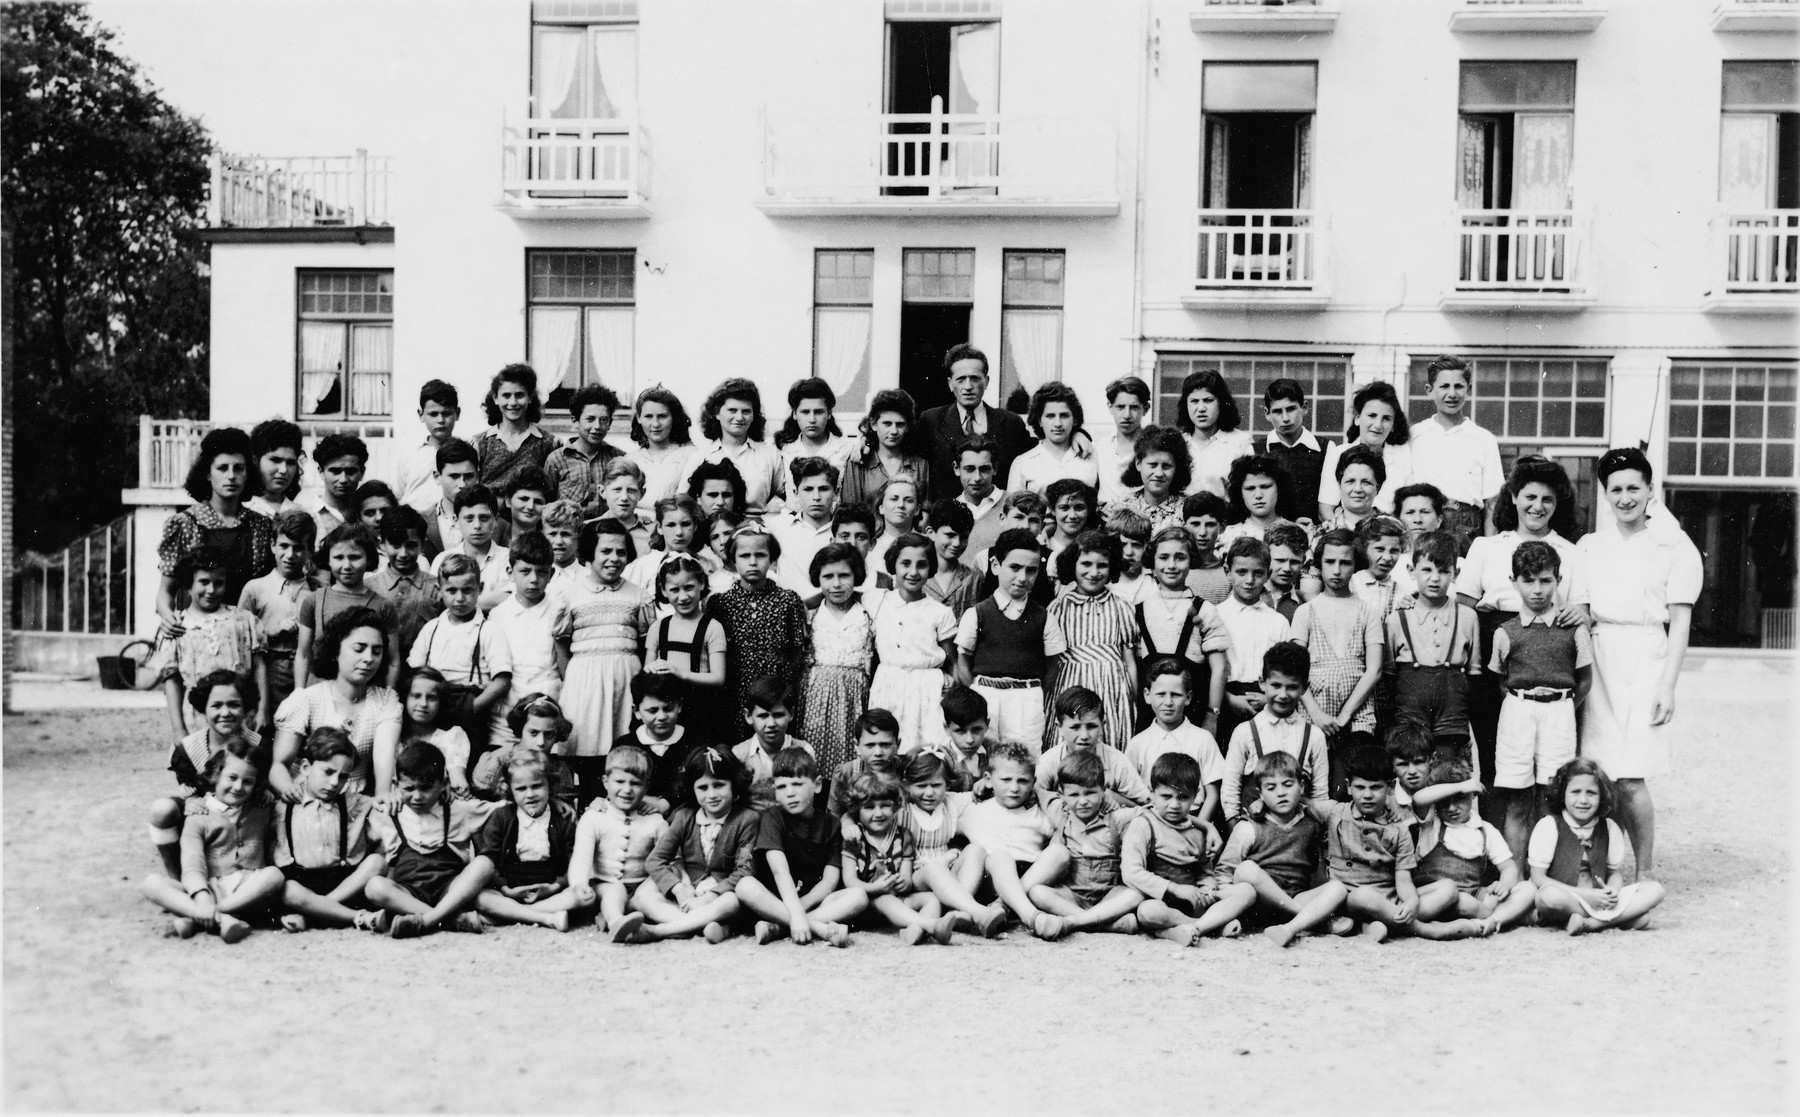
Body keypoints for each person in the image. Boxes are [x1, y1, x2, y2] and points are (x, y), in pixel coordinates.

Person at [1569, 447, 1702, 882]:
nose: (1625, 498)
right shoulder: (1591, 546)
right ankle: (1608, 868)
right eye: (1616, 490)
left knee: (1632, 778)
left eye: (1634, 488)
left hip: (1647, 655)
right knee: (1602, 774)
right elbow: (1581, 611)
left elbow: (1679, 623)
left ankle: (1644, 872)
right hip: (1601, 655)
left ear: (1650, 491)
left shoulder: (1673, 545)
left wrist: (1668, 686)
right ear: (1605, 494)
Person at [1457, 455, 1584, 812]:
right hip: (1493, 646)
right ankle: (1497, 855)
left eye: (1547, 499)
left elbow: (1582, 612)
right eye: (1530, 496)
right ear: (1513, 497)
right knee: (1494, 750)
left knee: (1548, 760)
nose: (1537, 506)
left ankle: (1544, 853)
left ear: (1558, 505)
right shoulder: (1487, 547)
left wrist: (1577, 615)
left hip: (1548, 651)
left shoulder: (1571, 554)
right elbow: (1463, 609)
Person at [1487, 540, 1594, 865]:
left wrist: (1559, 707)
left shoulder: (1573, 629)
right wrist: (1526, 704)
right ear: (1514, 582)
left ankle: (1551, 875)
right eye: (1528, 580)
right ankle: (1516, 880)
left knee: (1552, 797)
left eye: (1545, 580)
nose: (1537, 590)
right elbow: (1501, 681)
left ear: (1558, 581)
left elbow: (1585, 681)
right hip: (1519, 712)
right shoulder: (1505, 632)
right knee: (1518, 800)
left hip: (1559, 713)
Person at [139, 737, 285, 943]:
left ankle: (199, 916)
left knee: (274, 876)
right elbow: (192, 864)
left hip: (248, 892)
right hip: (211, 890)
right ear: (216, 774)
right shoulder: (199, 815)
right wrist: (202, 896)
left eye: (248, 781)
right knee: (151, 883)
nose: (238, 786)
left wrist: (267, 795)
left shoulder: (261, 808)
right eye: (232, 777)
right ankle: (219, 918)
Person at [557, 518, 655, 799]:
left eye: (621, 552)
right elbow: (561, 641)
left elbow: (646, 643)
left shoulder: (638, 596)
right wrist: (572, 680)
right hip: (584, 682)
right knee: (587, 755)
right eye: (606, 551)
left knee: (624, 753)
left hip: (626, 679)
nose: (614, 559)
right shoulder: (572, 594)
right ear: (589, 553)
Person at [365, 742, 500, 937]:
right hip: (407, 893)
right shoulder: (387, 814)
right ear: (395, 785)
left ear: (444, 784)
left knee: (484, 864)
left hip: (450, 891)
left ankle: (428, 920)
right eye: (409, 788)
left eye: (426, 788)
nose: (418, 796)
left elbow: (506, 808)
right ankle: (449, 920)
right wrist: (379, 799)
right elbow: (356, 813)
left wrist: (552, 801)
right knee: (375, 886)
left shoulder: (459, 810)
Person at [737, 747, 869, 946]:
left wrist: (800, 909)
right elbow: (779, 871)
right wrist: (796, 914)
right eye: (781, 787)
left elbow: (830, 881)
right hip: (779, 899)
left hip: (814, 901)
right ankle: (818, 927)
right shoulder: (772, 818)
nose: (790, 793)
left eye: (797, 784)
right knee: (745, 886)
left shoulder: (831, 823)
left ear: (817, 785)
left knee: (859, 897)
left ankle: (779, 927)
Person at [155, 427, 276, 642]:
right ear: (208, 474)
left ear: (248, 474)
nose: (231, 476)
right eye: (222, 468)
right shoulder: (184, 524)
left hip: (247, 636)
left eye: (239, 468)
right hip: (195, 635)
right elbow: (166, 591)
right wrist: (167, 617)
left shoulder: (262, 526)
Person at [629, 746, 758, 943]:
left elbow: (744, 870)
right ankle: (697, 924)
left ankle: (659, 931)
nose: (712, 794)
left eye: (719, 785)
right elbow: (655, 860)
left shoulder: (747, 819)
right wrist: (679, 888)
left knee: (731, 902)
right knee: (643, 894)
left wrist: (709, 897)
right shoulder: (684, 817)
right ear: (693, 789)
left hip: (721, 893)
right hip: (689, 890)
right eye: (703, 788)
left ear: (734, 785)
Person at [270, 607, 403, 799]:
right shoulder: (307, 699)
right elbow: (279, 765)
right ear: (336, 650)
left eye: (376, 651)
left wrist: (383, 793)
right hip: (306, 799)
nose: (368, 659)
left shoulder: (385, 701)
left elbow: (385, 753)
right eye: (359, 649)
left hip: (356, 800)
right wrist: (290, 791)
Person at [1122, 753, 1255, 944]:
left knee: (1246, 891)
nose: (1174, 805)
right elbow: (1131, 872)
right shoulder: (1143, 824)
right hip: (1162, 900)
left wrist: (1207, 890)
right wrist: (1175, 889)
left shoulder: (1198, 831)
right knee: (1147, 912)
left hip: (1193, 898)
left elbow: (1205, 871)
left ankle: (1185, 929)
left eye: (1183, 797)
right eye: (1166, 796)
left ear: (1195, 797)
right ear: (1152, 793)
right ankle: (1210, 925)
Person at [954, 528, 1065, 753]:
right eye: (1014, 568)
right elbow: (963, 660)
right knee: (984, 755)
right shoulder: (977, 614)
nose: (1023, 578)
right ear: (995, 566)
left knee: (1024, 758)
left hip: (1026, 699)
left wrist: (1033, 694)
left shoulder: (1044, 617)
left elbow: (1053, 666)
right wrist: (977, 694)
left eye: (1031, 570)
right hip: (986, 696)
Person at [1289, 529, 1384, 792]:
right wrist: (1317, 715)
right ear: (1319, 564)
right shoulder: (1306, 612)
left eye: (1345, 562)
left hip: (1357, 714)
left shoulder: (1367, 611)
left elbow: (1374, 670)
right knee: (1311, 786)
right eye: (1330, 562)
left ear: (1356, 566)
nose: (1337, 570)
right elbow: (1296, 670)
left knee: (1350, 785)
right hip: (1313, 711)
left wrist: (1344, 716)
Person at [1528, 758, 1666, 934]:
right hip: (1568, 898)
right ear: (1562, 793)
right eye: (1575, 792)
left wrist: (1612, 891)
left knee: (1655, 889)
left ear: (1602, 795)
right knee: (1547, 897)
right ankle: (1617, 919)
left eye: (1591, 793)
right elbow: (1538, 878)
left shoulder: (1609, 828)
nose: (1583, 800)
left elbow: (1614, 873)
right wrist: (1587, 896)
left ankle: (1590, 924)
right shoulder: (1550, 826)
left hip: (1600, 900)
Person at [146, 671, 263, 878]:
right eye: (216, 706)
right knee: (161, 810)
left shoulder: (258, 744)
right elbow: (188, 787)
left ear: (245, 708)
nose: (225, 713)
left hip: (246, 817)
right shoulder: (189, 748)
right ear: (204, 709)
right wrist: (190, 800)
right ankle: (177, 877)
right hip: (203, 814)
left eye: (234, 705)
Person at [151, 545, 270, 748]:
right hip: (196, 719)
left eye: (218, 583)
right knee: (200, 771)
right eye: (204, 582)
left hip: (239, 713)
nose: (212, 590)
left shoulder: (243, 620)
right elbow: (172, 680)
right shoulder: (177, 626)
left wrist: (263, 709)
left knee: (240, 769)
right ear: (188, 585)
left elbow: (260, 666)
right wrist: (178, 728)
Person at [272, 728, 388, 932]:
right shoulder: (282, 807)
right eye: (328, 772)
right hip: (301, 882)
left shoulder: (355, 804)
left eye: (343, 777)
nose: (335, 783)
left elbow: (385, 809)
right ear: (306, 767)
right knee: (288, 889)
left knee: (376, 862)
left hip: (344, 884)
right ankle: (357, 917)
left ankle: (315, 911)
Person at [1223, 751, 1343, 948]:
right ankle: (1312, 919)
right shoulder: (1249, 827)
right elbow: (1225, 872)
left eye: (1288, 785)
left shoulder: (1310, 822)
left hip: (1297, 895)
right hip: (1258, 904)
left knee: (1338, 888)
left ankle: (1290, 928)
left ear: (1302, 786)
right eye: (1271, 788)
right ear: (1260, 794)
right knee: (1246, 869)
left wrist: (1305, 802)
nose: (1281, 793)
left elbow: (1338, 808)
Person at [1022, 750, 1144, 940]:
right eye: (1074, 795)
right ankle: (1105, 925)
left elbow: (1153, 812)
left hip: (1108, 896)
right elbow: (1036, 788)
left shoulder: (1118, 819)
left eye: (1090, 793)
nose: (1083, 801)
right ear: (1061, 794)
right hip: (1072, 896)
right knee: (1037, 892)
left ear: (1103, 790)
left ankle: (1074, 922)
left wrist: (1206, 827)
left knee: (1135, 894)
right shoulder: (1059, 812)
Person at [1408, 756, 1536, 936]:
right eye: (1444, 802)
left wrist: (1503, 885)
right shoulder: (1431, 823)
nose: (1452, 808)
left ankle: (1491, 921)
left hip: (1474, 895)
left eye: (1459, 799)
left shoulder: (1485, 830)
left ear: (1472, 795)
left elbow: (1508, 867)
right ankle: (1493, 917)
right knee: (1466, 902)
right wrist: (1461, 787)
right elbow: (1418, 799)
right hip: (1435, 896)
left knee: (1527, 889)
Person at [409, 553, 514, 759]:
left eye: (467, 590)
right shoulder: (432, 628)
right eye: (451, 591)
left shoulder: (489, 630)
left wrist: (472, 708)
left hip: (470, 712)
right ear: (439, 591)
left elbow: (502, 681)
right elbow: (414, 671)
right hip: (433, 707)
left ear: (480, 589)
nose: (459, 598)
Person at [710, 524, 810, 738]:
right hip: (737, 695)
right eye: (745, 555)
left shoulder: (788, 601)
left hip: (777, 696)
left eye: (761, 555)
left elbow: (797, 654)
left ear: (772, 559)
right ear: (733, 559)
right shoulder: (722, 604)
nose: (753, 562)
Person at [1387, 531, 1481, 757]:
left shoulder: (1468, 617)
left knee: (1448, 764)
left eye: (1443, 571)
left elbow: (1474, 671)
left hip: (1452, 707)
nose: (1435, 578)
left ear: (1455, 574)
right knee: (1411, 761)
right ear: (1412, 571)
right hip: (1410, 705)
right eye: (1427, 570)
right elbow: (1388, 673)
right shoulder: (1397, 619)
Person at [840, 769, 958, 944]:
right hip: (868, 904)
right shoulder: (855, 839)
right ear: (857, 809)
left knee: (931, 899)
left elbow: (906, 874)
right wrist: (875, 888)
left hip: (898, 900)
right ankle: (931, 925)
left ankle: (916, 931)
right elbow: (849, 881)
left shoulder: (903, 836)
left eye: (885, 805)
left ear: (895, 806)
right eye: (869, 807)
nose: (878, 813)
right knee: (884, 898)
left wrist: (904, 882)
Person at [1321, 741, 1424, 942]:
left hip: (1384, 897)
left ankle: (1368, 925)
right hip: (1346, 898)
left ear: (1390, 787)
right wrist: (1260, 803)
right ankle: (1422, 929)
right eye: (1360, 787)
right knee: (1362, 896)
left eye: (1376, 787)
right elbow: (1300, 802)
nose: (1367, 795)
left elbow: (1403, 880)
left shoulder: (1398, 830)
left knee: (1446, 890)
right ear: (1349, 787)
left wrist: (1411, 901)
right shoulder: (1335, 812)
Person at [469, 750, 581, 932]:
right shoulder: (501, 817)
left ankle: (510, 914)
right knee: (480, 897)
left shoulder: (563, 818)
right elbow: (490, 859)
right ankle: (543, 916)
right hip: (510, 891)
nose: (530, 794)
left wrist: (555, 886)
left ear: (550, 786)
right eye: (521, 789)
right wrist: (505, 889)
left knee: (580, 896)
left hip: (552, 891)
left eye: (537, 786)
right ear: (511, 791)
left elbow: (574, 861)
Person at [957, 741, 1061, 937]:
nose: (1014, 788)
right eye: (1006, 780)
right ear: (988, 779)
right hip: (988, 881)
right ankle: (1031, 917)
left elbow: (1066, 824)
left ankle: (1003, 907)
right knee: (1000, 857)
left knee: (1060, 852)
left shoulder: (1040, 814)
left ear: (1033, 782)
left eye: (1023, 781)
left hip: (1027, 877)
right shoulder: (973, 809)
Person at [1047, 532, 1139, 751]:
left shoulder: (1121, 607)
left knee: (1111, 741)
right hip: (1069, 684)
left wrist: (1133, 699)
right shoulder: (1058, 608)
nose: (1094, 573)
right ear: (1072, 565)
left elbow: (1129, 661)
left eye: (1102, 565)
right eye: (1086, 564)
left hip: (1112, 688)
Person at [568, 743, 669, 940]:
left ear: (647, 786)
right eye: (619, 781)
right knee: (615, 890)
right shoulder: (594, 817)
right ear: (606, 782)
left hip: (640, 886)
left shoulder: (655, 821)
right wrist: (579, 884)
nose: (627, 790)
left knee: (652, 891)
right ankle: (616, 922)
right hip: (604, 885)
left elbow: (668, 859)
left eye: (636, 783)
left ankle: (683, 922)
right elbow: (581, 858)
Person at [1135, 525, 1228, 738]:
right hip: (1149, 715)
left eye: (1180, 558)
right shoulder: (1138, 610)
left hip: (1193, 713)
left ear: (1191, 561)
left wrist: (1212, 715)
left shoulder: (1204, 609)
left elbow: (1219, 668)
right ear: (1153, 562)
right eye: (1164, 558)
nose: (1171, 565)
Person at [1220, 644, 1331, 820]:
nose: (1283, 694)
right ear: (1262, 683)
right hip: (1255, 834)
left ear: (1304, 687)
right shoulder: (1245, 732)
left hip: (1299, 835)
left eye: (1292, 687)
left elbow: (1320, 795)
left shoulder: (1314, 736)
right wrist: (1234, 826)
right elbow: (1230, 789)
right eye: (1276, 685)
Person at [900, 750, 1003, 935]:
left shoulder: (951, 803)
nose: (929, 793)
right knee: (933, 869)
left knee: (976, 850)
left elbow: (979, 794)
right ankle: (978, 912)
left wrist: (983, 784)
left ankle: (959, 910)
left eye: (936, 785)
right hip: (917, 875)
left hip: (947, 870)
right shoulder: (902, 809)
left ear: (947, 784)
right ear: (907, 785)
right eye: (921, 786)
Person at [1406, 356, 1503, 551]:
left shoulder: (1483, 439)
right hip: (1423, 526)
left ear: (1469, 389)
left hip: (1467, 530)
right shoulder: (1415, 436)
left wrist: (1488, 548)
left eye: (1458, 386)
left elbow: (1492, 501)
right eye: (1444, 386)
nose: (1452, 394)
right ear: (1429, 390)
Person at [797, 543, 877, 773]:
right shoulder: (810, 613)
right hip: (815, 694)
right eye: (828, 576)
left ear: (856, 576)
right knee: (813, 751)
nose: (836, 584)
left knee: (852, 755)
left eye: (844, 575)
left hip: (855, 694)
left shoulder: (867, 612)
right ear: (818, 578)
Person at [293, 523, 399, 693]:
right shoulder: (314, 601)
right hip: (321, 691)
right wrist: (299, 692)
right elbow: (304, 654)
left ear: (369, 558)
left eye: (355, 557)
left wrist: (388, 695)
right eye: (339, 557)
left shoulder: (383, 605)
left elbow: (393, 661)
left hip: (365, 694)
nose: (347, 565)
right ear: (328, 559)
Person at [921, 344, 1034, 501]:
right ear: (950, 383)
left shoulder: (1010, 423)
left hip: (994, 516)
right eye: (961, 379)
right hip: (947, 519)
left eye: (975, 378)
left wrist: (1078, 433)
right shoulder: (931, 420)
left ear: (986, 381)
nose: (968, 386)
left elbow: (1040, 452)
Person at [487, 532, 567, 743]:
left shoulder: (559, 610)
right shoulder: (498, 615)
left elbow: (564, 667)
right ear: (510, 572)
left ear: (551, 574)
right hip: (506, 719)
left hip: (547, 715)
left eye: (541, 572)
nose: (533, 579)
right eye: (525, 571)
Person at [1212, 537, 1289, 751]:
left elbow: (1283, 670)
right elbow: (1208, 668)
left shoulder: (1277, 621)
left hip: (1264, 699)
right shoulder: (1215, 615)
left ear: (1268, 574)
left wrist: (1268, 698)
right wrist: (1228, 699)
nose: (1249, 580)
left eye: (1258, 573)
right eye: (1241, 572)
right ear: (1227, 571)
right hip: (1225, 697)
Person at [1127, 658, 1224, 826]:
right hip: (1151, 822)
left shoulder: (1202, 738)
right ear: (1147, 695)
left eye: (1176, 695)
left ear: (1188, 697)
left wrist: (1199, 828)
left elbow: (1213, 794)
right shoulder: (1138, 743)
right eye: (1161, 694)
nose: (1168, 702)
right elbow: (1130, 793)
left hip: (1194, 820)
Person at [238, 509, 317, 714]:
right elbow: (239, 640)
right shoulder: (255, 589)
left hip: (308, 673)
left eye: (299, 548)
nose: (290, 555)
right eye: (284, 546)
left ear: (310, 550)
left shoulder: (319, 591)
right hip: (266, 672)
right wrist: (271, 633)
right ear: (273, 545)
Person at [644, 554, 727, 744]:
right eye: (674, 589)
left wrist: (680, 673)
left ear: (701, 584)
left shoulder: (712, 627)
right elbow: (647, 674)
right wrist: (651, 672)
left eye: (689, 587)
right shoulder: (658, 628)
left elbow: (718, 678)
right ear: (664, 591)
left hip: (701, 710)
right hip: (667, 710)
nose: (683, 597)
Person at [678, 377, 786, 516]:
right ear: (717, 413)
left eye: (746, 411)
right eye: (732, 410)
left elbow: (787, 496)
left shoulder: (769, 454)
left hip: (755, 531)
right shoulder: (701, 457)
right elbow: (683, 501)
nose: (739, 417)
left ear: (754, 415)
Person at [1032, 687, 1151, 807]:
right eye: (1075, 727)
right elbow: (1031, 801)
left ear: (1102, 726)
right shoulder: (1049, 762)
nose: (1084, 736)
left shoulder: (1116, 761)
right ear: (1059, 727)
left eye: (1091, 726)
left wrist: (1111, 798)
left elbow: (1147, 804)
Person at [1319, 381, 1414, 522]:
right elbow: (1325, 510)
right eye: (1372, 415)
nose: (1378, 425)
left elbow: (1409, 507)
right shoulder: (1338, 454)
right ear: (1357, 418)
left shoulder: (1402, 454)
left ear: (1393, 425)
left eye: (1386, 418)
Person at [369, 507, 441, 664]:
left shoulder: (437, 588)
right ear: (381, 544)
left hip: (422, 673)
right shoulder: (368, 587)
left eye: (411, 545)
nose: (403, 553)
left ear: (422, 545)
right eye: (395, 545)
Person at [544, 383, 626, 521]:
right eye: (590, 419)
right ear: (575, 421)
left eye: (604, 420)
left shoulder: (618, 458)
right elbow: (547, 503)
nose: (597, 426)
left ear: (610, 423)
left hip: (608, 534)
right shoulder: (556, 460)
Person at [614, 673, 694, 813]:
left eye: (668, 709)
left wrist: (665, 803)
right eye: (652, 711)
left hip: (680, 815)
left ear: (679, 706)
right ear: (637, 711)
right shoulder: (625, 745)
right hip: (635, 812)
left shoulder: (693, 743)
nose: (661, 717)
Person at [731, 676, 814, 812]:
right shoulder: (739, 755)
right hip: (753, 828)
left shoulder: (804, 750)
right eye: (763, 716)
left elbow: (808, 803)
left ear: (791, 714)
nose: (771, 724)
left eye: (778, 715)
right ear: (748, 716)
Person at [841, 388, 933, 510]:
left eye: (900, 424)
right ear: (873, 424)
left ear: (907, 427)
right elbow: (850, 510)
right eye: (887, 424)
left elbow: (924, 511)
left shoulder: (921, 466)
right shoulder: (858, 463)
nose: (894, 431)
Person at [474, 364, 554, 496]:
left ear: (530, 397)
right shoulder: (480, 444)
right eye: (506, 395)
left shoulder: (548, 443)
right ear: (495, 398)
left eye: (519, 395)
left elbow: (551, 491)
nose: (513, 402)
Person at [1008, 382, 1097, 496]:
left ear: (1075, 419)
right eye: (1050, 416)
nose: (1058, 423)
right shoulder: (1022, 463)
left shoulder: (1093, 456)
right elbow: (1013, 508)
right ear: (1039, 420)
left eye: (1064, 415)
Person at [624, 385, 699, 521]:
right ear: (639, 418)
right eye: (648, 416)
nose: (655, 424)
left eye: (662, 416)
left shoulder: (691, 455)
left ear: (673, 417)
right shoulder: (630, 460)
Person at [1255, 379, 1325, 526]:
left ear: (1304, 407)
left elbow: (1328, 504)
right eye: (1277, 411)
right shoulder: (1257, 450)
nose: (1285, 418)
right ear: (1267, 414)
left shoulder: (1325, 448)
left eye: (1291, 409)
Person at [429, 484, 511, 608]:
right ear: (456, 520)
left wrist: (458, 604)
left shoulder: (508, 557)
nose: (477, 525)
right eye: (469, 518)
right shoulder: (443, 559)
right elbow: (435, 600)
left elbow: (509, 599)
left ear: (495, 520)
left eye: (484, 518)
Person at [1174, 368, 1252, 498]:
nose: (1201, 408)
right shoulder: (1178, 444)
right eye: (1194, 401)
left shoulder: (1241, 443)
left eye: (1208, 400)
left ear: (1221, 403)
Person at [768, 456, 840, 594]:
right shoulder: (779, 529)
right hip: (792, 610)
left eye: (824, 489)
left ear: (836, 493)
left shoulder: (844, 532)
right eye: (808, 489)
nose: (816, 497)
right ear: (795, 493)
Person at [397, 668, 472, 797]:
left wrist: (459, 786)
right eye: (416, 696)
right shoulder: (394, 737)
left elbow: (457, 777)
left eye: (431, 698)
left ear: (440, 702)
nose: (423, 704)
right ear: (405, 698)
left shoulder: (450, 738)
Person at [397, 380, 463, 514]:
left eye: (446, 413)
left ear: (457, 413)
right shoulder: (410, 456)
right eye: (433, 414)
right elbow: (398, 495)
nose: (440, 420)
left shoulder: (466, 454)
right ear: (421, 415)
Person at [1115, 426, 1190, 534]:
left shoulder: (1187, 508)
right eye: (1153, 465)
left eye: (1166, 466)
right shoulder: (1122, 506)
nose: (1159, 473)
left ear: (1176, 468)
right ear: (1138, 464)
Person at [774, 377, 854, 478]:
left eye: (819, 412)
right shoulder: (783, 450)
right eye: (805, 412)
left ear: (829, 413)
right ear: (794, 414)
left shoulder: (846, 449)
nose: (812, 419)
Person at [1096, 376, 1152, 509]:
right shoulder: (1100, 447)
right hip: (1105, 522)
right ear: (1110, 407)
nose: (1127, 415)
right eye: (1120, 407)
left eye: (1134, 407)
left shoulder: (1153, 447)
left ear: (1145, 409)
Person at [1217, 455, 1295, 549]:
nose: (1258, 495)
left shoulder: (1297, 531)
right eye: (1250, 488)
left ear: (1279, 488)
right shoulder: (1230, 537)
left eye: (1265, 487)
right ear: (1240, 493)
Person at [950, 435, 1008, 557]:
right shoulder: (949, 510)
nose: (977, 478)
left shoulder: (1012, 505)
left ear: (995, 468)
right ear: (956, 468)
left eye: (984, 469)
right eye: (969, 469)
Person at [423, 438, 481, 559]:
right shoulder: (421, 520)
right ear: (437, 476)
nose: (462, 484)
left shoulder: (497, 525)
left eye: (469, 476)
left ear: (478, 476)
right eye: (454, 476)